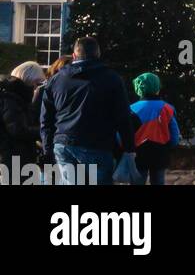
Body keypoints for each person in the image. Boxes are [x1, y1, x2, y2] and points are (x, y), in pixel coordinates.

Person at [41, 36, 136, 186]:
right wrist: (129, 148)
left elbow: (46, 119)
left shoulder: (56, 80)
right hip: (97, 143)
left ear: (73, 56)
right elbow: (123, 117)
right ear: (98, 55)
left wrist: (47, 148)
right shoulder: (112, 79)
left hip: (63, 141)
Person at [129, 72, 181, 186]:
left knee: (138, 180)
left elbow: (125, 134)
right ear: (157, 88)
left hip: (139, 154)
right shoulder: (167, 108)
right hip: (160, 152)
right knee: (158, 180)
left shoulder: (131, 109)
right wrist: (171, 146)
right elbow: (174, 135)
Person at [0, 67, 40, 173]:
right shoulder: (11, 99)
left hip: (14, 156)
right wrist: (42, 131)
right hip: (13, 156)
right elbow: (17, 129)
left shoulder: (15, 98)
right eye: (38, 83)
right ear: (30, 81)